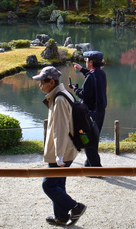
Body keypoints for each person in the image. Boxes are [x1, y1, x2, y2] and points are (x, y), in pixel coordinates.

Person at [33, 66, 87, 227]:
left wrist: (59, 155)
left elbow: (61, 129)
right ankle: (61, 217)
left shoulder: (60, 99)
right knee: (58, 184)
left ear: (51, 82)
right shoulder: (61, 94)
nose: (39, 85)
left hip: (63, 150)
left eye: (42, 82)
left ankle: (76, 207)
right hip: (66, 149)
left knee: (48, 185)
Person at [72, 50, 107, 168]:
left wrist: (75, 89)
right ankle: (89, 164)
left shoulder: (91, 77)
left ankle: (96, 168)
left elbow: (84, 94)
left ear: (91, 62)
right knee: (94, 137)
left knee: (87, 140)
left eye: (86, 60)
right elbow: (92, 75)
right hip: (100, 111)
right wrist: (81, 69)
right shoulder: (101, 73)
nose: (85, 62)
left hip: (91, 112)